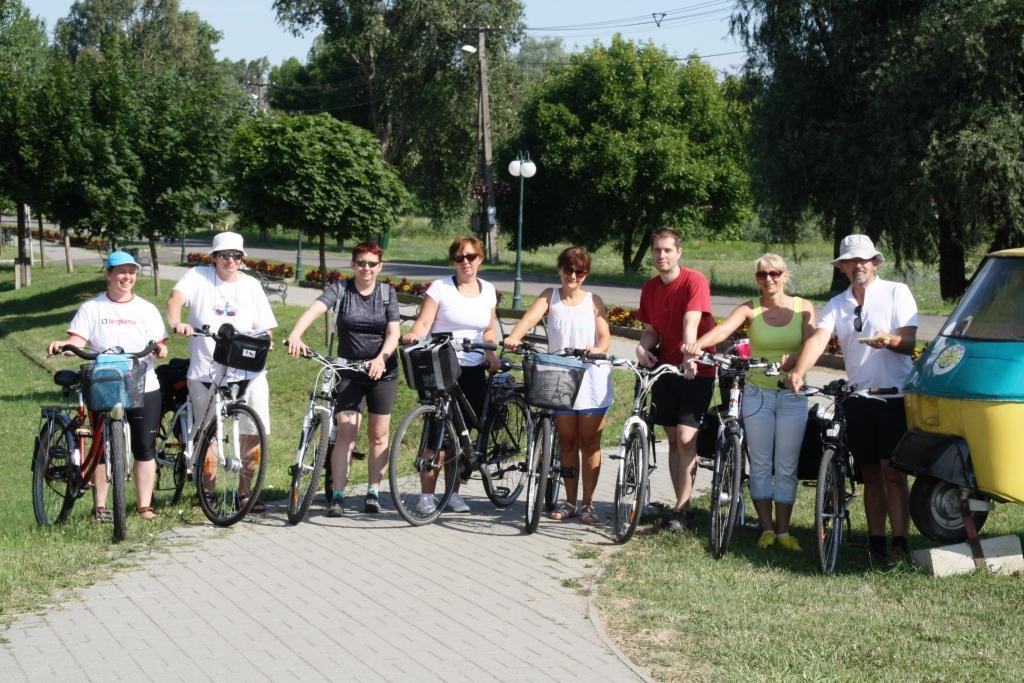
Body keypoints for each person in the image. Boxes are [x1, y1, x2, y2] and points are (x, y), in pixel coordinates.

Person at [785, 234, 918, 563]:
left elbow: (910, 341)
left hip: (894, 397)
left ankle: (900, 543)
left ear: (874, 262)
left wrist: (889, 339)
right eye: (850, 261)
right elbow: (819, 339)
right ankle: (875, 543)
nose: (858, 265)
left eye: (864, 259)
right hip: (858, 398)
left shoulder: (895, 292)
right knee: (870, 473)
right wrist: (800, 370)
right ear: (842, 267)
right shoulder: (838, 304)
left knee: (893, 473)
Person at [683, 253, 816, 550]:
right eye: (761, 275)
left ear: (785, 276)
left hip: (792, 394)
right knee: (759, 463)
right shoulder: (749, 309)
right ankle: (766, 528)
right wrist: (697, 345)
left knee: (786, 465)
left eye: (774, 273)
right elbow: (722, 330)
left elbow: (812, 342)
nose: (768, 279)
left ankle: (784, 530)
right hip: (757, 394)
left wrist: (795, 361)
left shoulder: (803, 307)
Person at [47, 251, 169, 521]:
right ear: (109, 274)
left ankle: (144, 506)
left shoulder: (146, 309)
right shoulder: (93, 308)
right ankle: (100, 507)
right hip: (104, 383)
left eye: (132, 272)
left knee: (144, 446)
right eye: (121, 272)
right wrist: (64, 345)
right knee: (101, 446)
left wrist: (160, 349)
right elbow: (77, 341)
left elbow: (160, 344)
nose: (127, 277)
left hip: (143, 383)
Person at [166, 232, 277, 513]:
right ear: (213, 257)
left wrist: (266, 339)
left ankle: (244, 493)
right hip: (207, 370)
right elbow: (176, 297)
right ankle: (208, 493)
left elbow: (266, 326)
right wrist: (177, 321)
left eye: (236, 256)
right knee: (207, 433)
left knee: (254, 430)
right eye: (224, 255)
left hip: (247, 372)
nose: (231, 260)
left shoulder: (251, 285)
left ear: (242, 259)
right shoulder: (198, 276)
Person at [286, 242, 400, 515]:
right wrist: (296, 334)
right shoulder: (341, 289)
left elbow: (394, 333)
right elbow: (316, 309)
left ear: (379, 267)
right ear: (353, 265)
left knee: (378, 434)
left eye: (372, 264)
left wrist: (381, 358)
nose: (366, 268)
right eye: (361, 262)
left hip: (382, 371)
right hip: (348, 369)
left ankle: (373, 491)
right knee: (346, 432)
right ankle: (338, 495)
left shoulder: (387, 293)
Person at [503, 246, 614, 523]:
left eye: (579, 271)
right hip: (559, 375)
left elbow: (605, 337)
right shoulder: (549, 297)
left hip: (591, 377)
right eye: (568, 270)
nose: (573, 275)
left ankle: (588, 503)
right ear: (560, 269)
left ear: (585, 274)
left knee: (589, 441)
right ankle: (569, 502)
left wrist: (598, 349)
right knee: (567, 441)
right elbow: (529, 319)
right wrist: (514, 336)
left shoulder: (594, 301)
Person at [401, 236, 501, 514]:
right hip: (441, 366)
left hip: (472, 368)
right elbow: (424, 321)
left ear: (480, 258)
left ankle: (453, 494)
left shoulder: (489, 291)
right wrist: (414, 335)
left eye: (471, 257)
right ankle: (426, 496)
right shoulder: (441, 288)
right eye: (460, 258)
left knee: (461, 434)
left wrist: (491, 353)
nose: (466, 262)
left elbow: (488, 329)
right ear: (453, 261)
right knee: (437, 434)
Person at [635, 227, 716, 532]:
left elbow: (691, 320)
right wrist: (642, 346)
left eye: (668, 250)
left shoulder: (694, 280)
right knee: (671, 437)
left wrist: (690, 356)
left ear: (679, 252)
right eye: (657, 250)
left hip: (697, 369)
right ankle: (682, 504)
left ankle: (682, 510)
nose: (662, 255)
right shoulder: (650, 288)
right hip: (666, 369)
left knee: (686, 437)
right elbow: (652, 328)